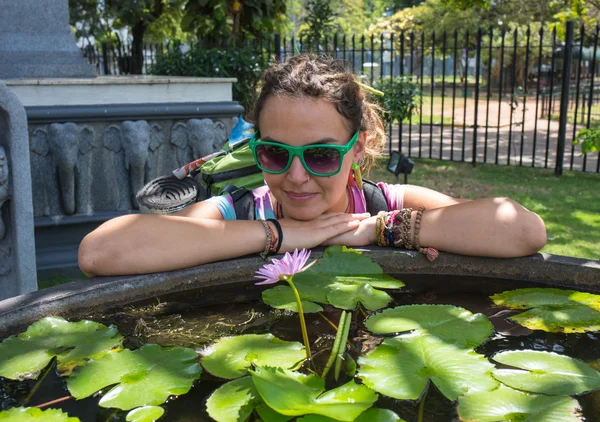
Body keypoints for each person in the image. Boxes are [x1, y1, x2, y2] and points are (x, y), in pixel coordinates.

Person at [78, 54, 547, 277]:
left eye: (321, 155)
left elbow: (521, 230)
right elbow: (101, 253)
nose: (296, 177)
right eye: (275, 154)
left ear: (357, 150)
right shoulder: (240, 210)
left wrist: (379, 230)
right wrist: (280, 236)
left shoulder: (383, 204)